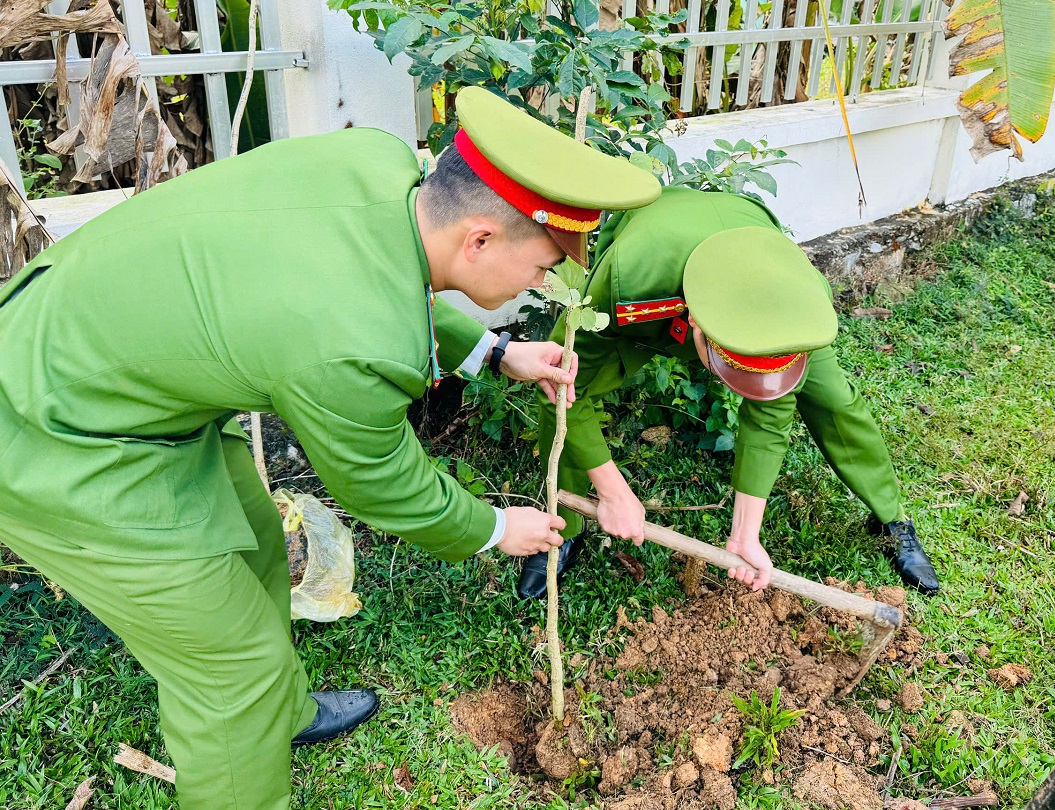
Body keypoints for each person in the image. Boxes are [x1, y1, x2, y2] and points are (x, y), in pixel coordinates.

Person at [0, 87, 660, 809]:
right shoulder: (352, 350)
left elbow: (376, 277)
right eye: (539, 268)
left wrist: (496, 353)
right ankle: (250, 733)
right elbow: (380, 481)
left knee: (255, 542)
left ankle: (281, 718)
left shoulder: (375, 167)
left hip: (108, 373)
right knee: (230, 669)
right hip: (52, 436)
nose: (541, 282)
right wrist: (498, 529)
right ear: (479, 239)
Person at [519, 186, 940, 600]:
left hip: (753, 279)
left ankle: (893, 519)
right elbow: (557, 383)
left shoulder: (801, 302)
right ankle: (563, 525)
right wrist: (613, 491)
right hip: (663, 271)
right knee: (570, 389)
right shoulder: (631, 279)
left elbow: (771, 412)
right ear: (697, 331)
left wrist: (744, 535)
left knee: (834, 399)